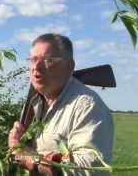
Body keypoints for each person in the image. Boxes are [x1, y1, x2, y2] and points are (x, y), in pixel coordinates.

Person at [8, 33, 114, 176]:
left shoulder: (87, 107)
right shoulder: (36, 101)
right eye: (33, 59)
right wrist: (22, 144)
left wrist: (23, 156)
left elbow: (88, 169)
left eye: (48, 60)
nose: (36, 67)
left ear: (69, 66)